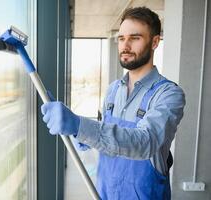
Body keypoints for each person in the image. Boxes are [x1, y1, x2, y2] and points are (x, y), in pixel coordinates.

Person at [41, 7, 185, 200]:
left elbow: (146, 142)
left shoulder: (168, 94)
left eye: (135, 38)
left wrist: (80, 124)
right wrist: (75, 130)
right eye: (121, 38)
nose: (125, 45)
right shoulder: (113, 90)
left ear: (155, 42)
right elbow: (104, 140)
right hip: (104, 194)